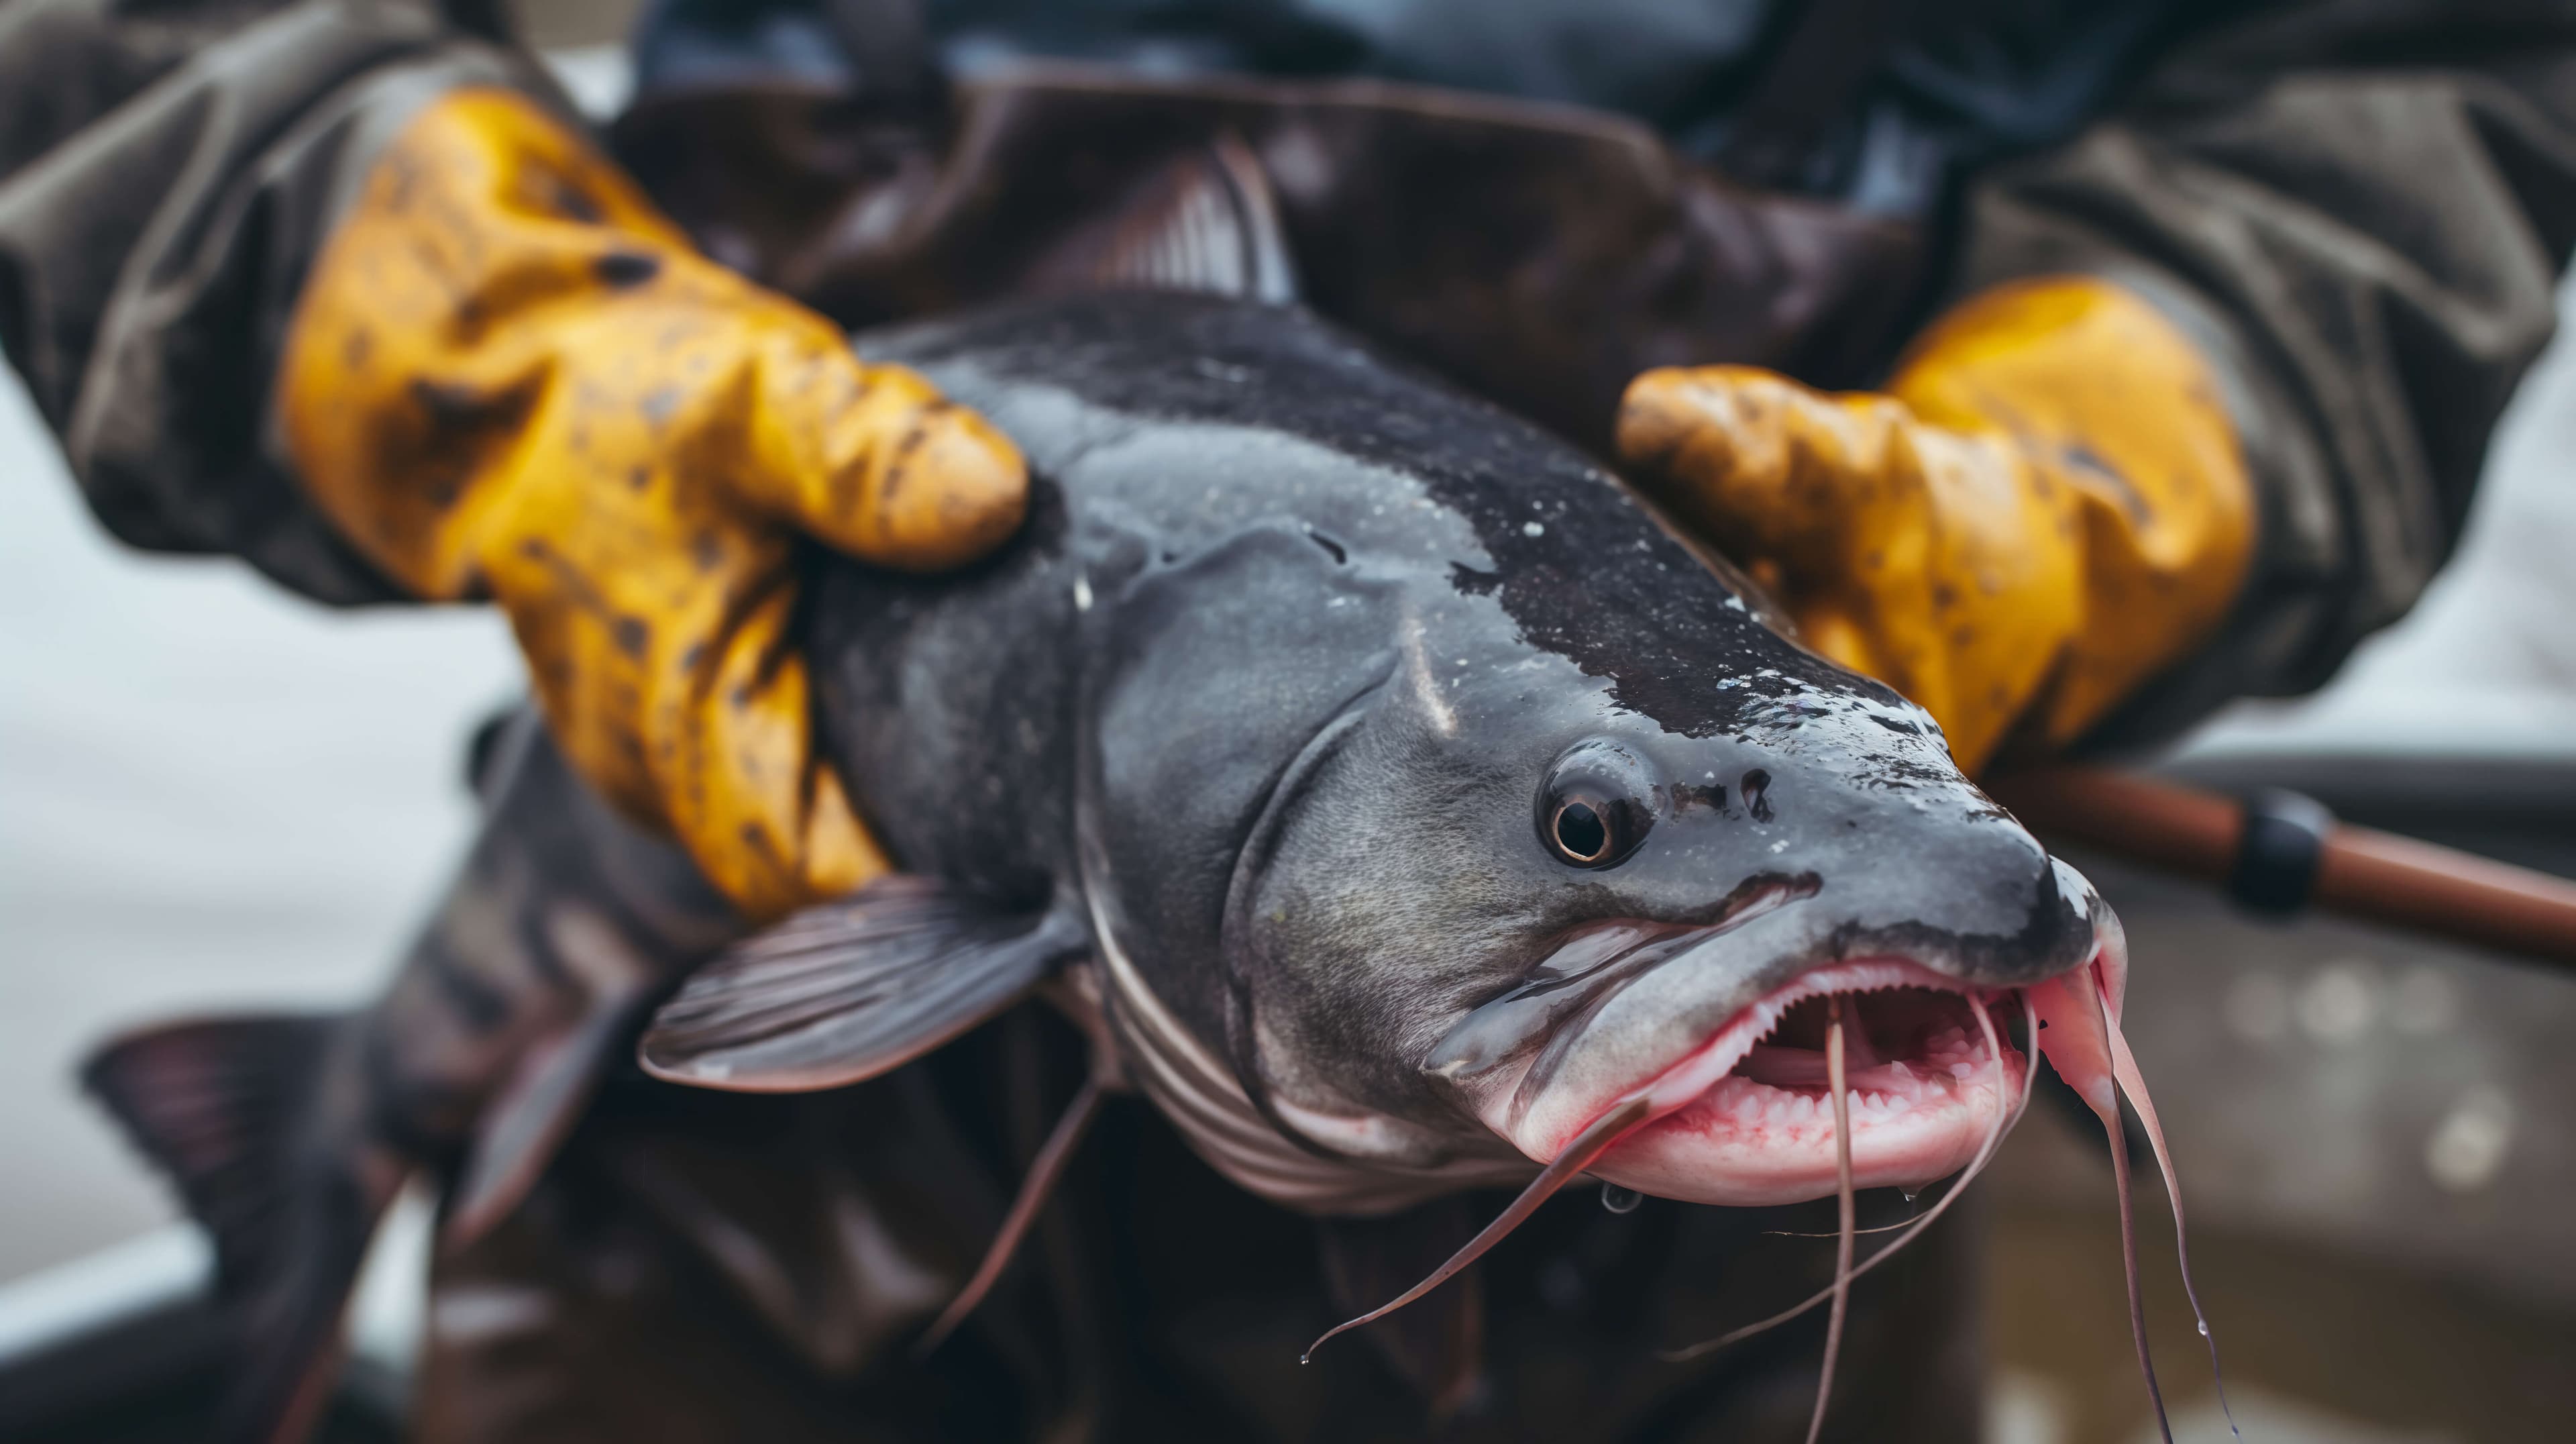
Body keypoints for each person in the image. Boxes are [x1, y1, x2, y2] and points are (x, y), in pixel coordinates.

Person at [6, 1, 2573, 1439]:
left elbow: (2422, 96)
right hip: (739, 1267)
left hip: (1730, 1331)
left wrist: (2125, 452)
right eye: (1588, 826)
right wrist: (454, 327)